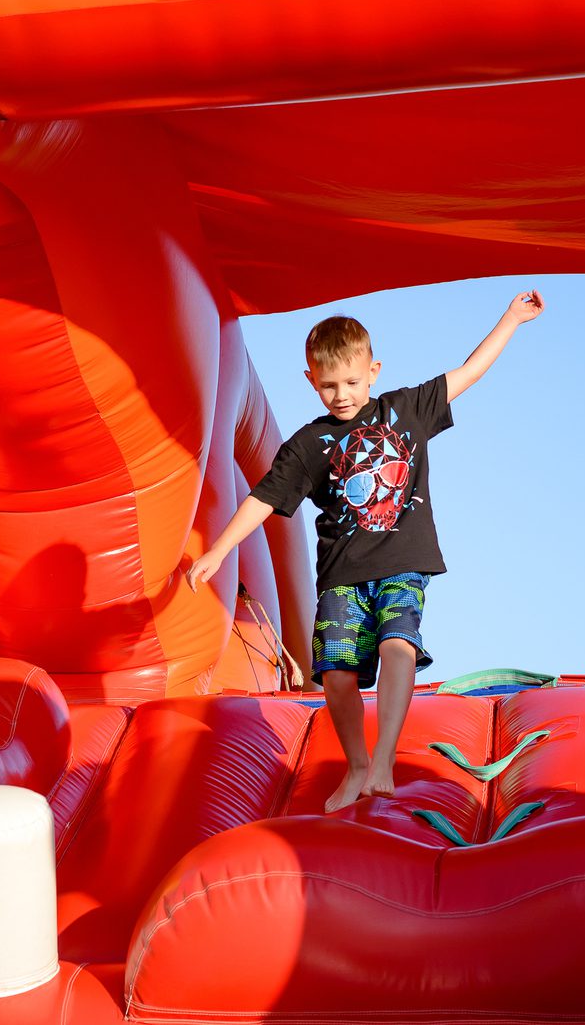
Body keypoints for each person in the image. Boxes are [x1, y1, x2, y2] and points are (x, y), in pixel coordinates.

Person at [187, 290, 546, 811]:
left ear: (372, 371)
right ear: (310, 380)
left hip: (403, 563)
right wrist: (218, 551)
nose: (340, 395)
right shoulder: (309, 446)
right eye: (328, 385)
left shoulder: (406, 409)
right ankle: (357, 764)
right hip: (341, 577)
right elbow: (263, 499)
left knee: (398, 643)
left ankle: (381, 762)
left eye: (351, 382)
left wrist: (511, 318)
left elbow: (468, 372)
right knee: (334, 674)